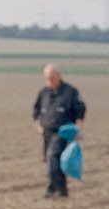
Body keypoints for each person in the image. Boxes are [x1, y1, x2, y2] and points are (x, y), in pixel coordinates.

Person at [31, 64, 86, 200]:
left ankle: (53, 188)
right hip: (47, 133)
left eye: (52, 78)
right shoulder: (43, 92)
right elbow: (36, 111)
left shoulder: (70, 92)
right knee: (53, 160)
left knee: (53, 157)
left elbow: (80, 111)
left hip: (63, 132)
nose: (49, 81)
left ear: (59, 76)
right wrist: (39, 126)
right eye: (47, 79)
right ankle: (61, 189)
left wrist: (77, 129)